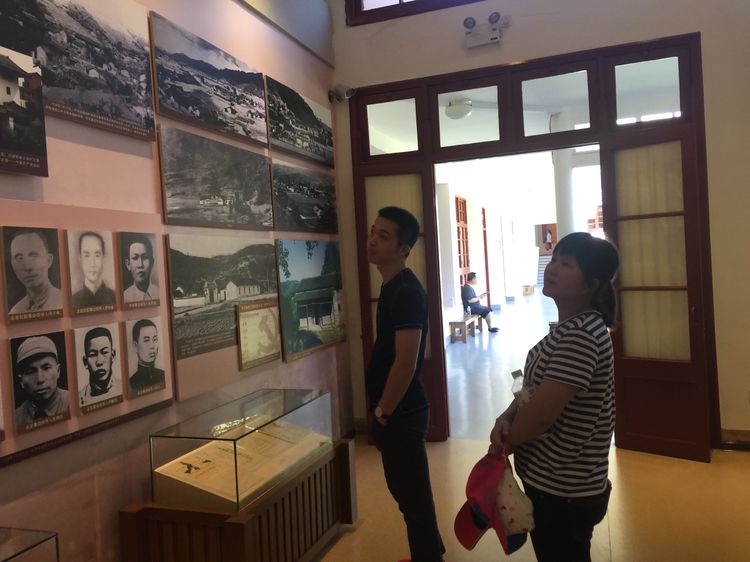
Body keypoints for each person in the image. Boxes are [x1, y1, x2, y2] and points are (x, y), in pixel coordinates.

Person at [489, 232, 619, 562]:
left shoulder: (581, 335)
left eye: (567, 264)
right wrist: (506, 416)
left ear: (591, 284)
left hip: (564, 488)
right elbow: (535, 389)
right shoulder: (570, 328)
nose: (553, 268)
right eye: (555, 259)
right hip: (555, 483)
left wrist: (505, 443)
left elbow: (542, 414)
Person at [365, 206, 445, 562]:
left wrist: (383, 411)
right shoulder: (392, 286)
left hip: (402, 411)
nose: (372, 240)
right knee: (409, 496)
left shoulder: (407, 292)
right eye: (373, 231)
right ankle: (430, 553)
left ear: (403, 249)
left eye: (383, 236)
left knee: (414, 500)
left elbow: (406, 362)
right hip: (396, 410)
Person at [14, 335, 69, 426]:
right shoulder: (15, 419)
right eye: (30, 371)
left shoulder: (74, 402)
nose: (40, 379)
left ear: (58, 371)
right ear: (21, 381)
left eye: (46, 368)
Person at [7, 229, 63, 314]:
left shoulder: (65, 302)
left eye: (33, 255)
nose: (27, 267)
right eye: (19, 258)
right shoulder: (14, 312)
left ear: (49, 260)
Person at [71, 231, 116, 309]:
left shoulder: (114, 298)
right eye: (86, 255)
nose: (92, 263)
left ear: (103, 258)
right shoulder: (73, 301)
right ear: (80, 259)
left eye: (97, 255)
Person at [79, 326, 120, 405]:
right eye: (93, 354)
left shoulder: (124, 387)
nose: (99, 362)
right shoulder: (79, 399)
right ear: (85, 362)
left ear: (113, 355)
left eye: (104, 352)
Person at [128, 319, 165, 393]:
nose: (152, 346)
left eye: (155, 339)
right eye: (146, 340)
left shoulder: (163, 375)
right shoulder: (132, 383)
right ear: (135, 346)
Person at [122, 233, 158, 303]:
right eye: (135, 258)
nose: (140, 265)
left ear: (152, 263)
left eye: (145, 257)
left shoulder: (159, 293)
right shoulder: (125, 297)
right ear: (128, 264)